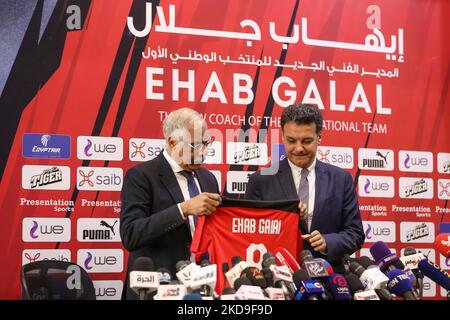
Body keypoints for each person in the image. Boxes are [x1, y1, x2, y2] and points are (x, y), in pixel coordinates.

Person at [244, 103, 365, 273]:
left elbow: (355, 233)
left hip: (330, 279)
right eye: (291, 141)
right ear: (283, 137)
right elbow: (248, 233)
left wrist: (328, 242)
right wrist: (283, 218)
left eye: (307, 141)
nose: (299, 148)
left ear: (319, 137)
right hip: (277, 277)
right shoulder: (261, 181)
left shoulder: (341, 179)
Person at [120, 107, 221, 299]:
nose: (203, 153)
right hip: (158, 288)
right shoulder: (141, 176)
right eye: (195, 146)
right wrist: (183, 209)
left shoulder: (208, 179)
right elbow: (131, 234)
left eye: (206, 143)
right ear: (172, 142)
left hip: (204, 286)